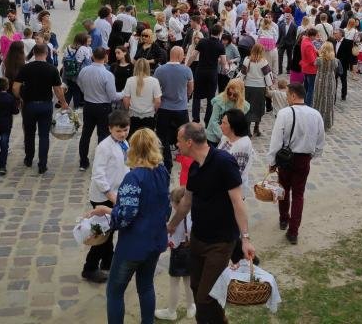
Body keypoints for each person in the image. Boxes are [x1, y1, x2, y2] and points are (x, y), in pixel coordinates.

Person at [167, 122, 255, 324]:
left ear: (189, 142)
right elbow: (186, 202)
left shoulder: (224, 162)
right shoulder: (195, 167)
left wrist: (246, 239)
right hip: (198, 238)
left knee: (205, 299)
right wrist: (171, 226)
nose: (176, 145)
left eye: (178, 141)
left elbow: (237, 202)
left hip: (220, 242)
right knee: (197, 288)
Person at [88, 127, 170, 324]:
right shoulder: (162, 171)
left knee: (115, 291)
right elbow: (165, 207)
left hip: (134, 245)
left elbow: (126, 216)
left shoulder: (133, 178)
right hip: (156, 240)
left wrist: (106, 211)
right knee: (146, 285)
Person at [266, 83, 325, 244]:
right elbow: (320, 140)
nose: (286, 99)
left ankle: (284, 219)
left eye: (287, 96)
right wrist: (313, 155)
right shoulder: (315, 114)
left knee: (284, 190)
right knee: (298, 194)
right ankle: (293, 231)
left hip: (286, 158)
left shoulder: (285, 113)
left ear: (293, 95)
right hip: (304, 158)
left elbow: (276, 140)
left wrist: (272, 161)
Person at [83, 110, 131, 284]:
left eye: (125, 130)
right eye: (119, 131)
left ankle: (108, 263)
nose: (123, 134)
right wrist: (110, 195)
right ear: (110, 129)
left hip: (117, 192)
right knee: (102, 234)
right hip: (103, 196)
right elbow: (98, 174)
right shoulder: (104, 147)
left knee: (110, 232)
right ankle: (90, 268)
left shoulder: (124, 143)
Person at [13, 44, 67, 175]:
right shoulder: (52, 69)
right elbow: (58, 89)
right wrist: (63, 102)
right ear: (47, 53)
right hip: (45, 105)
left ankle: (29, 158)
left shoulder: (25, 68)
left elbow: (15, 87)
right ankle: (42, 164)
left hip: (29, 105)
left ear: (34, 53)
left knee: (29, 134)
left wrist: (20, 98)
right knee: (44, 136)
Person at [77, 47, 124, 171]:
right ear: (106, 57)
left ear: (92, 56)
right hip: (103, 107)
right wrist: (124, 93)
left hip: (88, 105)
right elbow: (113, 96)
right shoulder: (107, 74)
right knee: (103, 135)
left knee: (86, 134)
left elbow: (80, 85)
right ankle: (101, 162)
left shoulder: (84, 71)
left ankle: (83, 161)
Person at [154, 187, 196, 321]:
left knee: (174, 282)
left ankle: (171, 311)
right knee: (188, 280)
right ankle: (191, 307)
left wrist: (167, 241)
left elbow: (172, 241)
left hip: (179, 253)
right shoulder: (192, 216)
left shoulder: (176, 220)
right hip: (191, 251)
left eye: (172, 202)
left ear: (177, 203)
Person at [154, 46, 194, 172]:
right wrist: (186, 97)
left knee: (162, 136)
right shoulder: (187, 70)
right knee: (186, 134)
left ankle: (167, 161)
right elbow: (190, 87)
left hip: (164, 108)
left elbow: (156, 89)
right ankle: (184, 157)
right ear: (180, 55)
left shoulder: (160, 70)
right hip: (181, 108)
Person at [187, 24, 227, 126]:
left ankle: (195, 119)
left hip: (200, 71)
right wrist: (223, 70)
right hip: (212, 73)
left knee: (196, 96)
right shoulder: (220, 45)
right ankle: (207, 119)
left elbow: (193, 55)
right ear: (219, 33)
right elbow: (223, 61)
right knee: (211, 97)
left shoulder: (202, 41)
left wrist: (187, 66)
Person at [218, 108, 255, 197]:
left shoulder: (242, 145)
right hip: (220, 186)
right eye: (221, 122)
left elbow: (235, 175)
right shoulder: (226, 137)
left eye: (224, 123)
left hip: (231, 193)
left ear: (233, 126)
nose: (220, 126)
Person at [240, 43, 273, 137]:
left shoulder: (247, 60)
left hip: (248, 87)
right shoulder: (263, 61)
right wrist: (270, 85)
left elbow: (242, 73)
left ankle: (248, 130)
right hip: (260, 88)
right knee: (259, 108)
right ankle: (256, 128)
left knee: (248, 107)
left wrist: (239, 81)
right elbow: (267, 75)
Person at [122, 59, 162, 137]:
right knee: (148, 140)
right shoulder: (154, 81)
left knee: (133, 139)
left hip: (133, 115)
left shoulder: (130, 80)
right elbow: (158, 101)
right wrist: (154, 110)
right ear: (148, 68)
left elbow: (126, 99)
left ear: (135, 67)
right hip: (149, 115)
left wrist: (127, 109)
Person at [206, 78, 250, 146]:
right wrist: (224, 137)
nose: (231, 96)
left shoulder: (243, 105)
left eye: (235, 95)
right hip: (214, 137)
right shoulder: (219, 101)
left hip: (231, 139)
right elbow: (214, 121)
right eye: (229, 93)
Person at [62, 32, 92, 108]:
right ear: (83, 40)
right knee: (77, 91)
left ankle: (65, 107)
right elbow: (88, 63)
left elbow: (64, 60)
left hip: (67, 73)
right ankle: (75, 109)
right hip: (78, 74)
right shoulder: (85, 49)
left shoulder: (68, 47)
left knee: (69, 90)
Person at [313, 41, 338, 131]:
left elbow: (315, 65)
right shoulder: (334, 60)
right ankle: (327, 122)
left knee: (318, 99)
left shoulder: (319, 59)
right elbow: (335, 67)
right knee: (329, 100)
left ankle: (317, 122)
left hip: (320, 80)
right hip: (330, 80)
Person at [299, 28, 319, 106]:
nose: (316, 38)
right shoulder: (308, 45)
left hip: (305, 68)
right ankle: (308, 104)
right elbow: (312, 61)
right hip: (310, 69)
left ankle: (304, 102)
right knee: (311, 89)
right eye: (315, 36)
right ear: (312, 36)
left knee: (306, 87)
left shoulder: (305, 41)